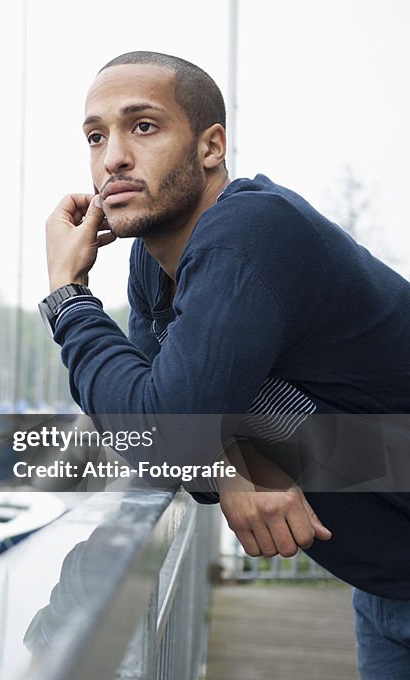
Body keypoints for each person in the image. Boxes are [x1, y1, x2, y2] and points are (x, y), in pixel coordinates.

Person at [40, 50, 410, 678]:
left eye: (144, 127)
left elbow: (163, 429)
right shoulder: (154, 269)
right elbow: (167, 409)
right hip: (387, 588)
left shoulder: (252, 234)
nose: (113, 158)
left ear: (211, 147)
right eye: (96, 136)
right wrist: (231, 471)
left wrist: (68, 296)